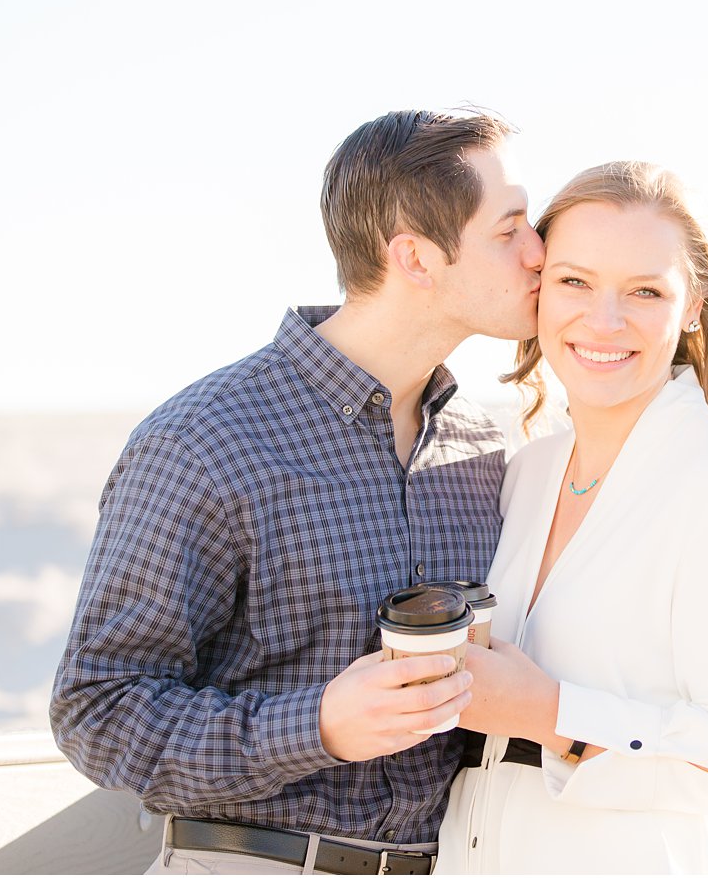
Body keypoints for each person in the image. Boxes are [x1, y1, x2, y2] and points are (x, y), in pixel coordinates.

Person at [50, 108, 546, 875]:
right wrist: (316, 724)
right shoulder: (206, 440)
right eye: (509, 229)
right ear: (415, 256)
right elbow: (97, 709)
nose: (539, 253)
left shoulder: (486, 450)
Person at [434, 161, 708, 874]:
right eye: (576, 281)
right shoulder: (525, 474)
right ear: (539, 288)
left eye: (645, 291)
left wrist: (549, 712)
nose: (604, 321)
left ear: (693, 305)